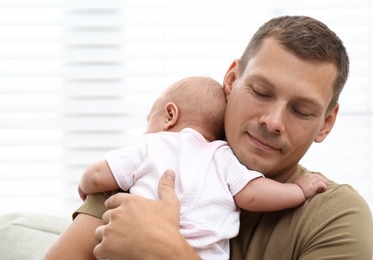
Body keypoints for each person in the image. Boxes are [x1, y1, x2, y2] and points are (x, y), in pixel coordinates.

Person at [46, 15, 373, 260]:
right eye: (261, 91)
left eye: (301, 110)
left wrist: (168, 250)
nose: (273, 122)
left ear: (326, 123)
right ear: (231, 79)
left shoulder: (335, 216)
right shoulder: (152, 168)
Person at [45, 76, 327, 259]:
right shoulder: (223, 157)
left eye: (149, 121)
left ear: (170, 115)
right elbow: (253, 194)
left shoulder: (153, 147)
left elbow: (98, 175)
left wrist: (84, 184)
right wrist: (297, 191)